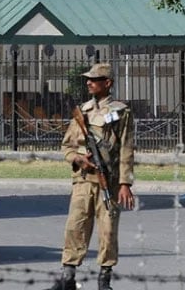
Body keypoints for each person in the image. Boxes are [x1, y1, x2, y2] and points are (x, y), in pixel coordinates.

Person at [48, 63, 135, 290]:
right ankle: (68, 276)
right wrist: (78, 158)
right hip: (84, 180)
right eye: (88, 79)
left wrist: (125, 183)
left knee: (108, 230)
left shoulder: (121, 111)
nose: (89, 82)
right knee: (75, 226)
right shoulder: (83, 111)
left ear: (107, 83)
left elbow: (126, 147)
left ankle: (104, 278)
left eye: (94, 79)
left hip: (110, 181)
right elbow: (67, 146)